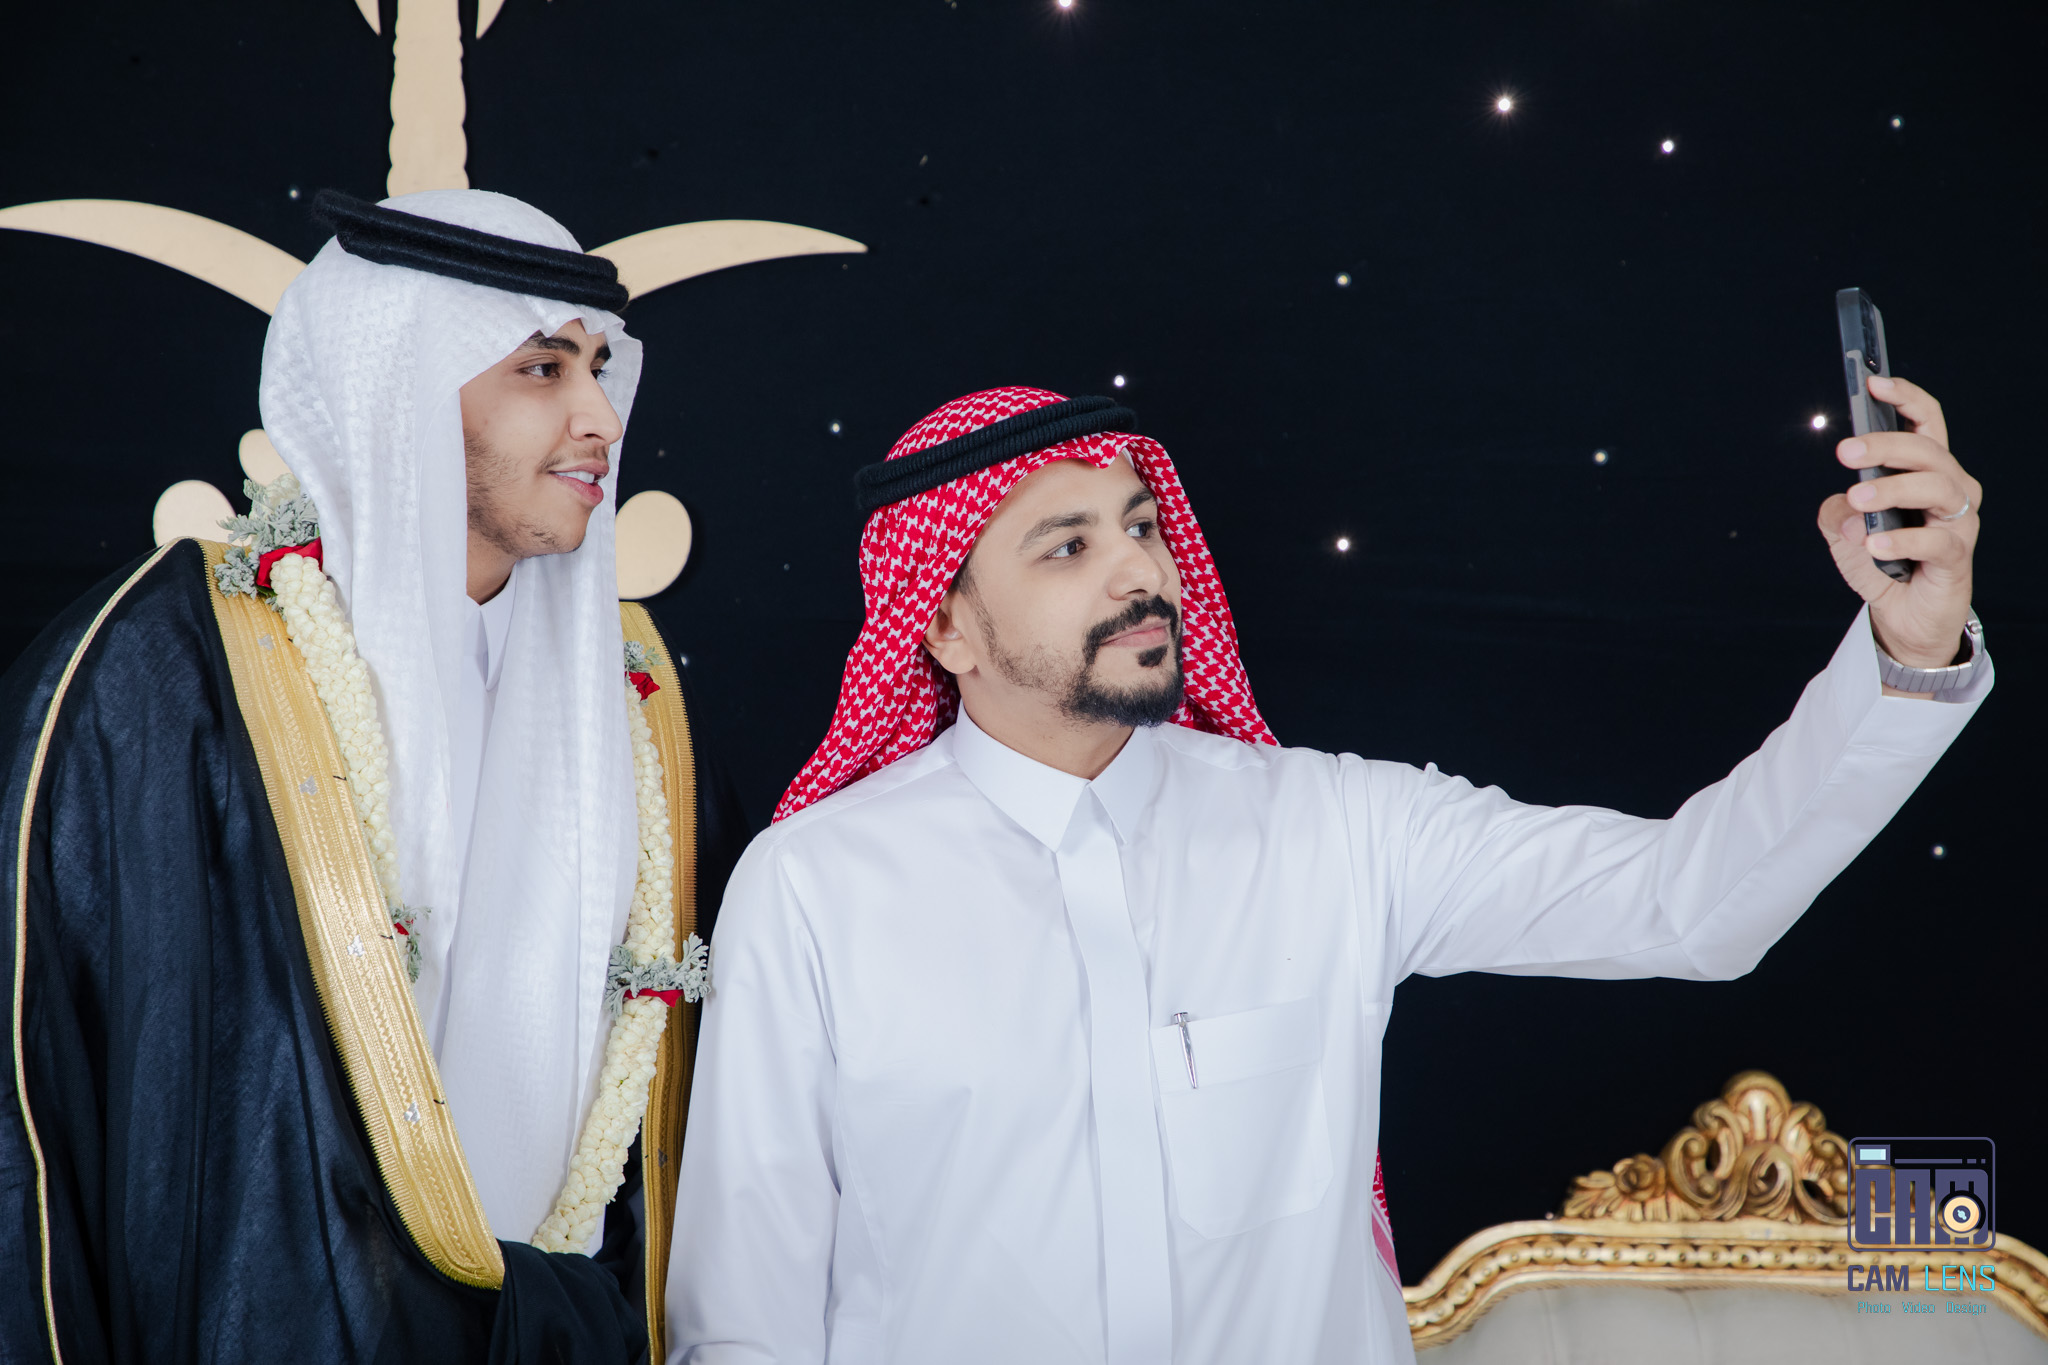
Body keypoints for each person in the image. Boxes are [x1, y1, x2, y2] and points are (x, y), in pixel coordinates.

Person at [667, 384, 1989, 1364]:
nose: (1137, 571)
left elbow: (1690, 905)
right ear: (945, 625)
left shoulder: (1334, 830)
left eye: (1140, 526)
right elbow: (745, 1320)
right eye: (1066, 546)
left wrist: (1907, 650)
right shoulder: (815, 889)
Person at [1, 189, 743, 1363]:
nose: (601, 417)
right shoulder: (168, 676)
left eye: (601, 367)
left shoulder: (632, 695)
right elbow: (55, 1102)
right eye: (541, 370)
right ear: (399, 389)